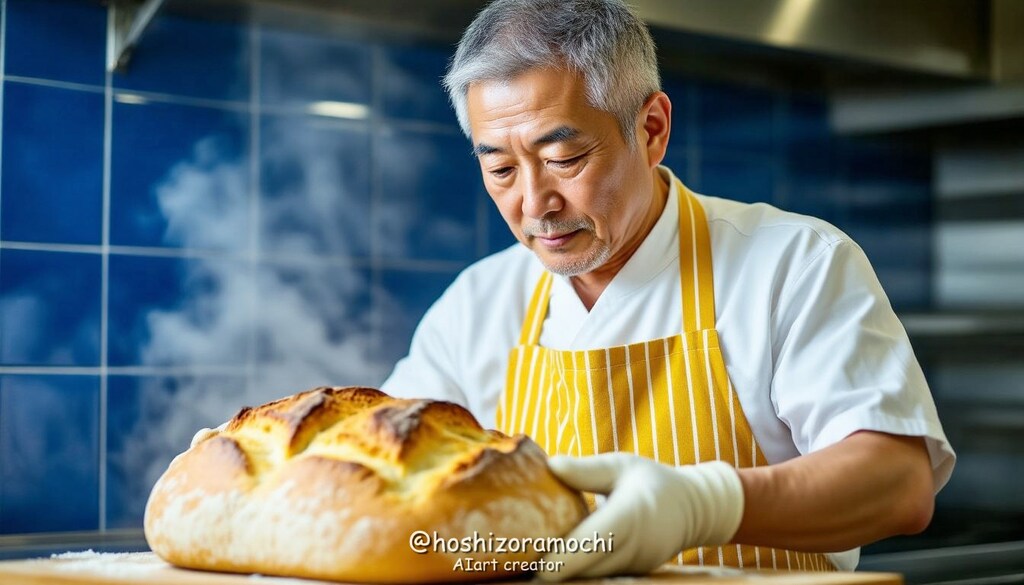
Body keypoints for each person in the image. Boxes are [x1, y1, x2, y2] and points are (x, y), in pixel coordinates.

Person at [191, 0, 953, 579]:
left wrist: (702, 504)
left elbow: (897, 480)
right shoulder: (479, 304)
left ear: (651, 129)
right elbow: (388, 487)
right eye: (499, 168)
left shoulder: (794, 264)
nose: (533, 202)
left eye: (564, 156)